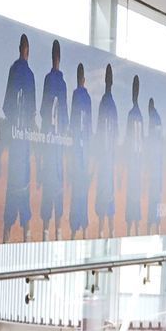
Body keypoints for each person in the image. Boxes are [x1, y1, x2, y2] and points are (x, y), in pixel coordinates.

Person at [2, 33, 36, 243]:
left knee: (12, 185)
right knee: (23, 187)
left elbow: (7, 107)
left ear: (19, 48)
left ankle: (7, 236)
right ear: (27, 50)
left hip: (15, 143)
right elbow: (32, 114)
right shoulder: (29, 74)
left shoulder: (13, 71)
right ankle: (26, 237)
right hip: (22, 145)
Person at [39, 39, 68, 241]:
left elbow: (43, 112)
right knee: (58, 192)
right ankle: (56, 234)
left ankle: (46, 233)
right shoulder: (63, 84)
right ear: (59, 57)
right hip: (57, 153)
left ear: (52, 57)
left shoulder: (48, 80)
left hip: (49, 150)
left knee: (48, 194)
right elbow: (64, 119)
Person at [93, 63, 118, 236]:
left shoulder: (103, 103)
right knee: (109, 199)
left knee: (103, 202)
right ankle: (109, 233)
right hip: (109, 161)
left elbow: (99, 131)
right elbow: (115, 135)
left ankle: (103, 234)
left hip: (104, 161)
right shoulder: (113, 106)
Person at [68, 63, 93, 239]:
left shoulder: (75, 95)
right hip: (84, 153)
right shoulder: (88, 98)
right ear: (83, 79)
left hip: (77, 151)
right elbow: (89, 127)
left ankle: (75, 226)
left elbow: (72, 124)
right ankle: (82, 226)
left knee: (76, 190)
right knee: (82, 191)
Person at [124, 74, 144, 235]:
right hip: (137, 163)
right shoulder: (140, 117)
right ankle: (135, 229)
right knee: (135, 198)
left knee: (132, 198)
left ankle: (133, 229)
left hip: (132, 164)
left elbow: (128, 140)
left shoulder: (131, 115)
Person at [144, 96, 163, 232]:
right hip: (157, 166)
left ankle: (154, 223)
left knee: (154, 197)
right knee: (155, 196)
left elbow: (153, 140)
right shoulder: (156, 118)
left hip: (156, 166)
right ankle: (154, 223)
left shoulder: (153, 119)